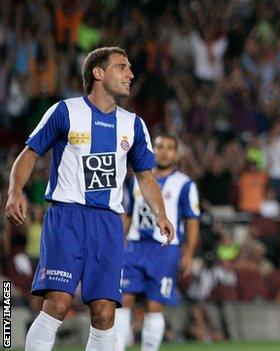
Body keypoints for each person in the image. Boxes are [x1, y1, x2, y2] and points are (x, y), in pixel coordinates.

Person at [5, 46, 174, 351]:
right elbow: (29, 154)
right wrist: (15, 191)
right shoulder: (65, 111)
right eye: (122, 67)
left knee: (105, 311)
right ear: (98, 73)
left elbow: (146, 176)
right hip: (67, 218)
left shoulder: (133, 125)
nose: (130, 74)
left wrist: (160, 213)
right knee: (57, 303)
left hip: (108, 223)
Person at [114, 134, 200, 351]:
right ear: (152, 150)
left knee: (154, 304)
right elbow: (128, 214)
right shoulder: (136, 179)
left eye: (170, 148)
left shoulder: (184, 184)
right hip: (133, 247)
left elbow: (192, 220)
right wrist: (117, 242)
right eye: (160, 146)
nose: (164, 152)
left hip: (164, 249)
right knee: (122, 301)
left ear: (176, 154)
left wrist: (188, 253)